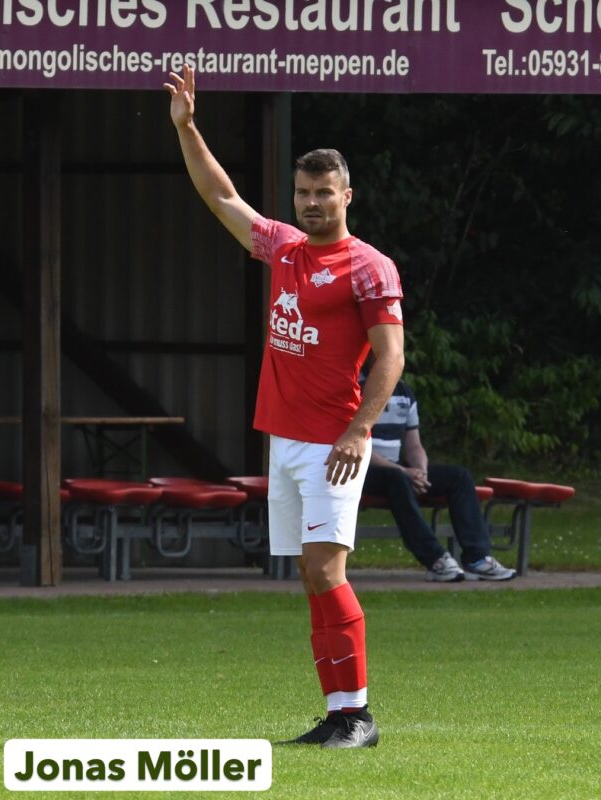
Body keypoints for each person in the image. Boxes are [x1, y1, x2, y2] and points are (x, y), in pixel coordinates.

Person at [164, 66, 404, 749]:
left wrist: (361, 431)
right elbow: (221, 197)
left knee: (328, 570)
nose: (311, 204)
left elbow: (391, 357)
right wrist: (187, 128)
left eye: (324, 193)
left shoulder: (368, 267)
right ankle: (336, 714)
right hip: (286, 439)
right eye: (303, 193)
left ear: (347, 194)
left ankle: (358, 716)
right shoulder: (287, 250)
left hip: (334, 443)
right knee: (308, 573)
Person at [361, 373, 516, 582]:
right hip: (360, 470)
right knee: (396, 479)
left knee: (459, 477)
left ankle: (477, 559)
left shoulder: (404, 392)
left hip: (398, 470)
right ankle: (436, 559)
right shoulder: (353, 388)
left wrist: (421, 472)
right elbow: (357, 445)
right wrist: (405, 473)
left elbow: (413, 444)